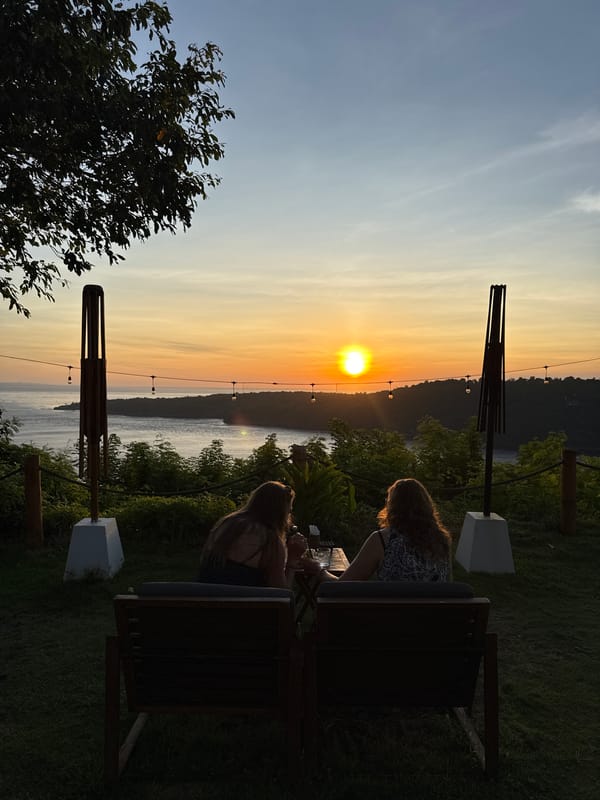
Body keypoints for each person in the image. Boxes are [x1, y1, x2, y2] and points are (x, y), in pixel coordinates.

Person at [303, 478, 452, 583]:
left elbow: (344, 586)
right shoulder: (441, 541)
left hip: (389, 623)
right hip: (432, 623)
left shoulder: (383, 540)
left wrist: (319, 570)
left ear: (392, 505)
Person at [196, 481, 308, 589]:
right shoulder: (270, 540)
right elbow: (281, 594)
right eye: (289, 512)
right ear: (281, 512)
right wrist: (292, 561)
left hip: (204, 601)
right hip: (243, 606)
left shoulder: (226, 525)